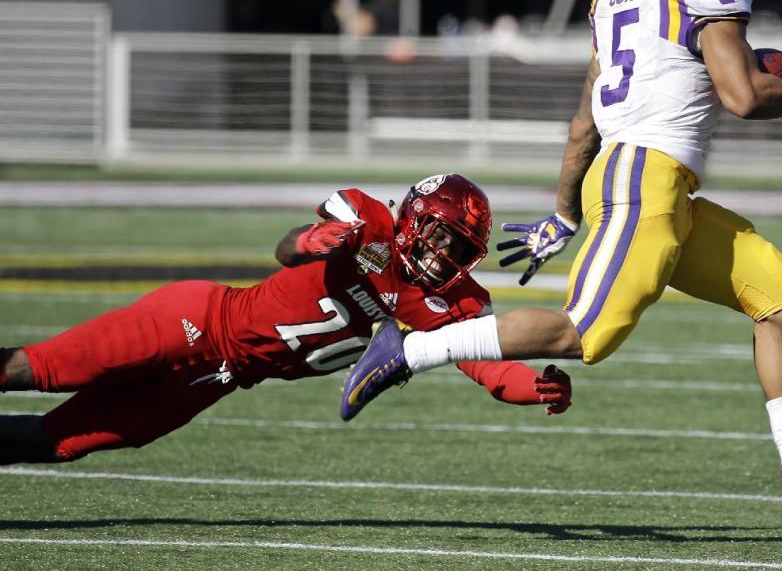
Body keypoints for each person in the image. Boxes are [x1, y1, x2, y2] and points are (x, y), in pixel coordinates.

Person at [339, 0, 782, 518]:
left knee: (778, 293)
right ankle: (406, 349)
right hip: (645, 180)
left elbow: (584, 122)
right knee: (583, 334)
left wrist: (566, 211)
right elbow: (744, 97)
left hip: (643, 181)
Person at [0, 174, 572, 464]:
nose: (444, 253)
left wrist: (535, 384)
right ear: (416, 216)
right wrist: (310, 239)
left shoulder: (447, 301)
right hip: (196, 322)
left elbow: (483, 366)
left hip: (220, 380)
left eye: (460, 247)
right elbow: (287, 250)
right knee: (39, 369)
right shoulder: (369, 223)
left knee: (60, 443)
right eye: (442, 235)